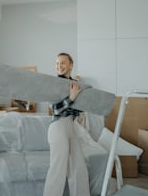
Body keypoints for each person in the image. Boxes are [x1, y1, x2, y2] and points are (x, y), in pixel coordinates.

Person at [43, 53, 90, 196]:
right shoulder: (54, 83)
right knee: (57, 169)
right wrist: (71, 98)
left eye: (63, 63)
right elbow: (55, 108)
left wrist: (80, 103)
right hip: (58, 126)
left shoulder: (75, 84)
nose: (59, 66)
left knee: (79, 167)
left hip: (71, 126)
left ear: (71, 65)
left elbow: (78, 107)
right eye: (57, 63)